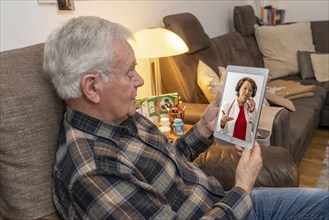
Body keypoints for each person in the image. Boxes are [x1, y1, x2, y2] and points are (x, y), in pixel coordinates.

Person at [43, 16, 329, 220]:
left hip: (223, 202)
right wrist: (242, 186)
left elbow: (168, 159)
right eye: (129, 73)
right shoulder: (94, 170)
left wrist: (204, 127)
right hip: (231, 207)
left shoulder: (121, 118)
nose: (141, 80)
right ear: (92, 87)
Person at [219, 77, 257, 142]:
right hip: (229, 145)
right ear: (239, 89)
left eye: (250, 90)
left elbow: (254, 130)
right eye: (245, 88)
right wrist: (222, 122)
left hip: (244, 147)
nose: (247, 92)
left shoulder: (252, 110)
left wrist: (252, 111)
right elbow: (218, 131)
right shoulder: (226, 106)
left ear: (252, 94)